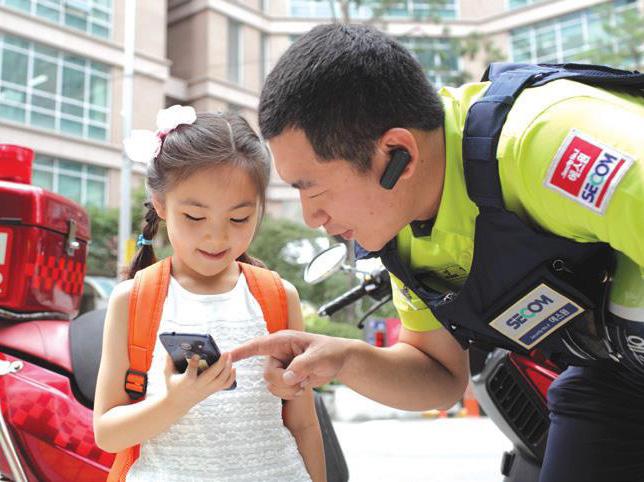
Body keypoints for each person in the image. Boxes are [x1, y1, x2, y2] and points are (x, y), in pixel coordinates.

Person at [231, 24, 644, 481]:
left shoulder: (544, 143)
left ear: (395, 154)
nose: (312, 217)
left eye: (313, 189)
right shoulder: (401, 229)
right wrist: (343, 359)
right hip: (617, 376)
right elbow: (439, 374)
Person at [93, 106, 325, 482]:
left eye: (238, 219)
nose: (216, 237)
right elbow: (107, 433)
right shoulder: (133, 300)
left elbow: (303, 426)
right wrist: (176, 401)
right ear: (161, 204)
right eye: (195, 217)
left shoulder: (279, 298)